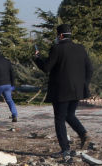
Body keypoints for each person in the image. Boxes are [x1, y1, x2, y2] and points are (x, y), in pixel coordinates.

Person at [34, 24, 93, 158]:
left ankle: (65, 149)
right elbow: (90, 69)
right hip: (77, 90)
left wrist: (38, 58)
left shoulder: (57, 48)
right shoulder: (80, 48)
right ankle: (83, 134)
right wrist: (84, 84)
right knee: (70, 114)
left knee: (60, 119)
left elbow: (47, 68)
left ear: (60, 35)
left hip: (61, 91)